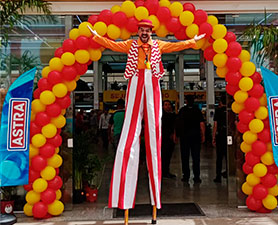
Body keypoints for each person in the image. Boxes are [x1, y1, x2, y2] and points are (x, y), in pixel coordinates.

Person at [90, 19, 205, 209]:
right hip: (135, 80)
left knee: (153, 124)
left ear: (151, 32)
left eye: (147, 30)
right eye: (142, 30)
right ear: (138, 31)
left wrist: (192, 41)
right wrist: (97, 37)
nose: (145, 33)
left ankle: (155, 196)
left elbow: (176, 46)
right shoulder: (131, 44)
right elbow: (114, 45)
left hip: (152, 81)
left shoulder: (158, 45)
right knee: (131, 125)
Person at [176, 95, 205, 184]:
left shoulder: (182, 111)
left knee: (184, 157)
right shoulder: (197, 111)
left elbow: (177, 123)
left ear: (186, 101)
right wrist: (203, 135)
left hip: (184, 137)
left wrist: (177, 135)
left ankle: (186, 176)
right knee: (196, 157)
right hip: (195, 137)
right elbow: (202, 124)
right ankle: (196, 177)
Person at [212, 95, 227, 183]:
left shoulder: (218, 111)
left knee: (219, 157)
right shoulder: (231, 110)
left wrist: (213, 137)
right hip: (229, 135)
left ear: (221, 102)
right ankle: (229, 173)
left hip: (220, 135)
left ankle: (218, 176)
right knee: (228, 156)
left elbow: (215, 125)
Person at [161, 100, 176, 179]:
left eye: (168, 104)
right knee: (163, 156)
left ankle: (166, 171)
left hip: (170, 139)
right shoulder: (160, 116)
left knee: (168, 156)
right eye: (165, 105)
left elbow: (175, 127)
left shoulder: (173, 115)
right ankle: (162, 172)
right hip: (162, 138)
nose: (167, 106)